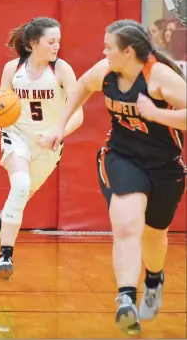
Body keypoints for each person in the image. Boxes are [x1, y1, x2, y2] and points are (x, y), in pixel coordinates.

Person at [38, 19, 186, 335]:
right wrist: (59, 128)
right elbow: (80, 87)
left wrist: (158, 114)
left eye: (108, 46)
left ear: (128, 51)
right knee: (127, 224)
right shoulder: (106, 70)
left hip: (164, 166)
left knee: (154, 235)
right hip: (121, 157)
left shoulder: (160, 77)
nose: (103, 51)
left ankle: (154, 278)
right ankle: (126, 299)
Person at [0, 17, 83, 279]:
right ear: (33, 43)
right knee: (21, 185)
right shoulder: (12, 69)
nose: (57, 46)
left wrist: (58, 133)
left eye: (59, 41)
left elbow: (78, 114)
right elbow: (1, 106)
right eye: (51, 41)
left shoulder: (62, 70)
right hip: (17, 136)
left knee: (23, 194)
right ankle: (6, 255)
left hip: (49, 143)